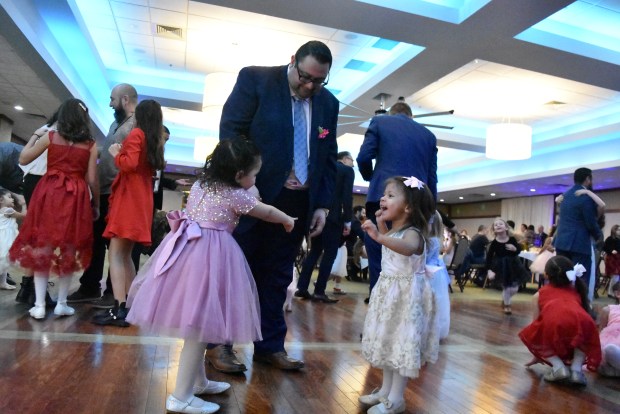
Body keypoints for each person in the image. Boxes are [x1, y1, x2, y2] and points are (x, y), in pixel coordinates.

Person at [126, 138, 295, 414]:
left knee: (199, 322)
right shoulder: (236, 195)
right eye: (253, 174)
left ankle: (199, 381)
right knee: (197, 329)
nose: (255, 179)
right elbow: (265, 212)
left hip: (186, 250)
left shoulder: (200, 184)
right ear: (239, 175)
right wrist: (287, 219)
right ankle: (180, 396)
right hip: (211, 255)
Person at [211, 40, 338, 372]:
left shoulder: (329, 104)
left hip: (297, 203)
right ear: (293, 61)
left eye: (319, 81)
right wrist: (243, 185)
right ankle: (219, 344)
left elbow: (327, 157)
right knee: (234, 271)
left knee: (278, 275)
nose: (310, 86)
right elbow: (232, 133)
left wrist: (322, 205)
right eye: (305, 77)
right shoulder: (256, 80)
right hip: (253, 197)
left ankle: (269, 346)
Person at [9, 98, 99, 320]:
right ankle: (62, 303)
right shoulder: (90, 144)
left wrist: (35, 138)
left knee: (43, 247)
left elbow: (23, 158)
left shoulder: (50, 137)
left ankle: (39, 305)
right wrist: (95, 203)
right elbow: (92, 178)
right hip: (75, 195)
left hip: (49, 192)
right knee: (69, 248)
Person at [358, 176, 438, 414]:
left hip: (406, 296)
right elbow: (390, 244)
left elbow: (408, 248)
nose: (383, 198)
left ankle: (396, 399)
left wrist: (379, 235)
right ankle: (384, 391)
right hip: (390, 292)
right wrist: (381, 225)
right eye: (384, 194)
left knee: (401, 345)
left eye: (391, 195)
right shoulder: (396, 229)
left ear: (408, 207)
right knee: (389, 344)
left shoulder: (413, 232)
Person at [92, 99, 165, 327]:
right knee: (126, 255)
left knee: (115, 254)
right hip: (142, 198)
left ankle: (118, 308)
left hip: (129, 198)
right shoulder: (155, 140)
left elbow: (129, 164)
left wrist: (116, 153)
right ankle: (131, 306)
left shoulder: (136, 135)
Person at [357, 101, 437, 303]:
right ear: (411, 117)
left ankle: (379, 314)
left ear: (392, 113)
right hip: (416, 204)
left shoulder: (380, 121)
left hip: (382, 198)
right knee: (410, 261)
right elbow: (432, 178)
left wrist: (371, 177)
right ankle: (405, 313)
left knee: (379, 259)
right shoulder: (428, 136)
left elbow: (363, 158)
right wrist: (429, 210)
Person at [67, 83, 138, 306]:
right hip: (105, 190)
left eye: (112, 99)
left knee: (119, 247)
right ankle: (90, 286)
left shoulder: (136, 125)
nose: (109, 103)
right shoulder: (115, 124)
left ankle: (116, 294)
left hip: (121, 193)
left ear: (125, 99)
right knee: (96, 240)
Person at [519, 256, 601, 386]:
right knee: (583, 337)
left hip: (554, 321)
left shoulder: (539, 294)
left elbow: (537, 326)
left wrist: (538, 353)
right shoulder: (578, 290)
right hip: (583, 321)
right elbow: (588, 312)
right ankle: (576, 370)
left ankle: (558, 368)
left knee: (536, 332)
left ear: (546, 275)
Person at [295, 151, 354, 303]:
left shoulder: (323, 167)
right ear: (345, 159)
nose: (353, 163)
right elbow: (347, 196)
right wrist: (348, 220)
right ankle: (319, 291)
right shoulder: (347, 171)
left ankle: (301, 287)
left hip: (317, 214)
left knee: (314, 252)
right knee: (330, 254)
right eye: (351, 160)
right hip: (334, 218)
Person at [14, 111, 59, 306]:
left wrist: (34, 134)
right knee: (44, 240)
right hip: (45, 183)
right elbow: (24, 159)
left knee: (36, 238)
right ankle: (35, 289)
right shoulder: (58, 135)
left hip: (32, 181)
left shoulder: (44, 131)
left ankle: (27, 288)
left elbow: (23, 159)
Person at [554, 168, 603, 301]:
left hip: (562, 242)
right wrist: (599, 235)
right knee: (581, 279)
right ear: (588, 179)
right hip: (579, 243)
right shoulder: (584, 197)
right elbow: (590, 222)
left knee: (562, 277)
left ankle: (561, 305)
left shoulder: (564, 195)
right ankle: (580, 308)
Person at [486, 218, 529, 315]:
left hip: (514, 265)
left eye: (500, 224)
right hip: (501, 266)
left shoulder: (512, 239)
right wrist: (489, 270)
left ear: (506, 227)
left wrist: (515, 249)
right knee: (506, 287)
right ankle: (507, 305)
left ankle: (505, 299)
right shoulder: (494, 243)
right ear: (494, 229)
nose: (498, 225)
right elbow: (489, 257)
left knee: (514, 288)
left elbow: (518, 250)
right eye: (495, 225)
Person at [427, 210, 451, 339]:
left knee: (430, 301)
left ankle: (429, 329)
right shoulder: (436, 238)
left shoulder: (429, 240)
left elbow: (425, 258)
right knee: (439, 301)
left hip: (430, 272)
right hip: (437, 272)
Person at [0, 189, 24, 289]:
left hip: (4, 238)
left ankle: (3, 282)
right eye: (9, 197)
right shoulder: (8, 210)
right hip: (6, 239)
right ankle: (2, 282)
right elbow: (23, 216)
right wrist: (24, 205)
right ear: (1, 200)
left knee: (5, 262)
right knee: (4, 260)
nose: (12, 199)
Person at [598, 282, 620, 377]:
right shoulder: (608, 310)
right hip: (613, 344)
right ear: (618, 294)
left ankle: (615, 371)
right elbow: (601, 331)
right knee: (609, 350)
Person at [603, 225, 620, 298]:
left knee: (617, 276)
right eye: (618, 230)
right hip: (611, 260)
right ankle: (611, 292)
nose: (619, 231)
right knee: (616, 275)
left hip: (618, 260)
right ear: (614, 230)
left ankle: (615, 292)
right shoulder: (609, 239)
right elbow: (605, 248)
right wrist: (611, 251)